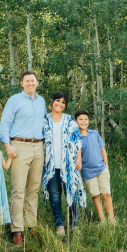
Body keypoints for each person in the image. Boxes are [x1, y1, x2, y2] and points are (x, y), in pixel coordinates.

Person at [0, 70, 47, 245]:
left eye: (33, 81)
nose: (30, 84)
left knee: (33, 189)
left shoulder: (41, 101)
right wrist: (7, 146)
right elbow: (4, 124)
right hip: (19, 146)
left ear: (37, 83)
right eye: (27, 81)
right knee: (18, 189)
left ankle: (31, 225)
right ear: (22, 83)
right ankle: (17, 229)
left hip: (39, 147)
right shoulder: (14, 100)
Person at [41, 93, 85, 238]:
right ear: (52, 102)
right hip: (51, 165)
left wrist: (78, 159)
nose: (60, 104)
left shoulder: (70, 121)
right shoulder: (44, 120)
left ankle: (74, 224)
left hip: (69, 164)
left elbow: (77, 141)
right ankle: (59, 224)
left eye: (63, 102)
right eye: (58, 101)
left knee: (72, 193)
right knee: (55, 195)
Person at [73, 110, 115, 224]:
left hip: (101, 169)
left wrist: (106, 164)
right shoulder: (76, 137)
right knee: (96, 196)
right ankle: (103, 221)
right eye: (80, 119)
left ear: (88, 121)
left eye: (86, 119)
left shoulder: (94, 133)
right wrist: (79, 163)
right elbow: (78, 155)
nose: (83, 121)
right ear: (76, 121)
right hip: (88, 172)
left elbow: (102, 149)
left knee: (107, 194)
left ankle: (112, 220)